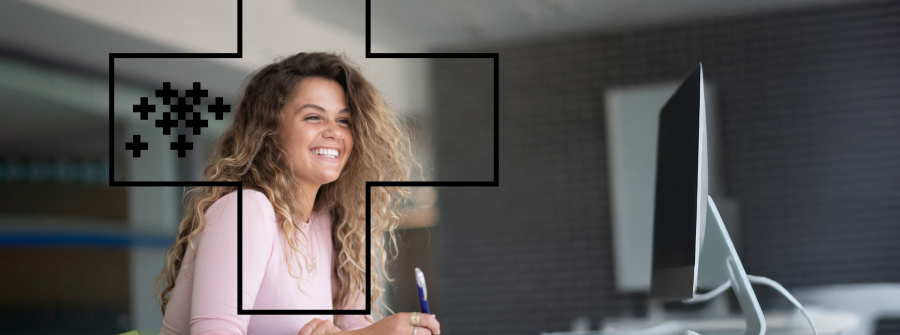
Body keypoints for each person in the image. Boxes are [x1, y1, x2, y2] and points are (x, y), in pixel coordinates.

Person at [154, 52, 440, 335]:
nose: (335, 132)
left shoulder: (332, 224)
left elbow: (354, 326)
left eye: (344, 121)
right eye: (314, 117)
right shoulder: (245, 211)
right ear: (269, 129)